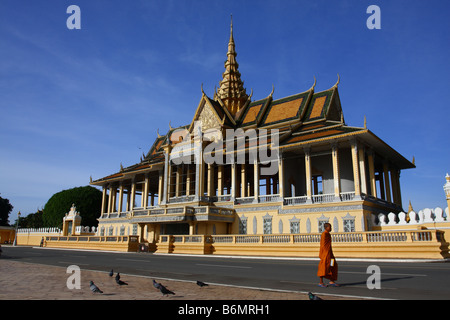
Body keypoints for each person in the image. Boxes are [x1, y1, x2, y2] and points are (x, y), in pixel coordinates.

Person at [317, 222, 339, 287]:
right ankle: (321, 282)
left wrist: (330, 253)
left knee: (332, 265)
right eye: (330, 227)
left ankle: (331, 280)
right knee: (324, 268)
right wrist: (325, 253)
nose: (331, 228)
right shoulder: (324, 234)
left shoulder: (328, 234)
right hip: (325, 255)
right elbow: (323, 245)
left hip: (330, 254)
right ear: (326, 228)